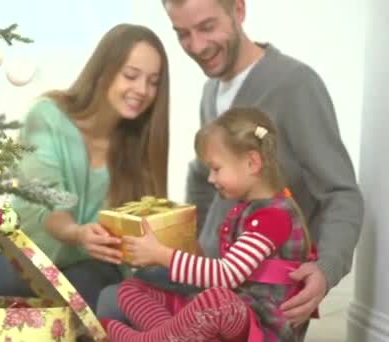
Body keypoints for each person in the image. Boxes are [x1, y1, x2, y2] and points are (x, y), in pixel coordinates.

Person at [97, 0, 364, 329]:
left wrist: (326, 268)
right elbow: (201, 172)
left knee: (112, 300)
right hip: (211, 275)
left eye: (207, 27)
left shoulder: (295, 85)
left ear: (239, 10)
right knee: (126, 287)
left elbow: (341, 193)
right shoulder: (212, 91)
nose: (196, 46)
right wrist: (187, 237)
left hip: (251, 300)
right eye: (182, 34)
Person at [0, 23, 171, 312]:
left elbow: (144, 228)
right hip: (26, 262)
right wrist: (78, 234)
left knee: (98, 285)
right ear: (103, 71)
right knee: (12, 276)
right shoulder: (46, 116)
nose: (143, 90)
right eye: (131, 76)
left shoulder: (140, 144)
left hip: (93, 273)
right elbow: (45, 203)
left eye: (154, 81)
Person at [104, 107, 317, 341]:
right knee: (131, 289)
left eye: (216, 169)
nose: (211, 179)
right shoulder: (250, 208)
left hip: (262, 327)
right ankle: (170, 336)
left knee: (217, 300)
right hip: (235, 314)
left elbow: (228, 275)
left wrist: (163, 255)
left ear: (252, 162)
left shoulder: (273, 217)